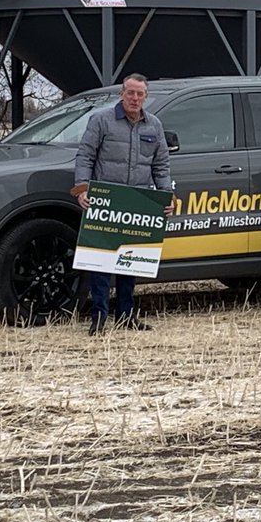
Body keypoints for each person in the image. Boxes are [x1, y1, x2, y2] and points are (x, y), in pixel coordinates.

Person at [73, 74, 171, 334]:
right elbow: (85, 156)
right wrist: (82, 187)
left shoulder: (154, 126)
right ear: (122, 94)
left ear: (146, 97)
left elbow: (161, 165)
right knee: (101, 263)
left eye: (140, 94)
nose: (135, 98)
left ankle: (126, 316)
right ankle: (99, 319)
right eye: (130, 93)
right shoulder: (101, 121)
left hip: (137, 201)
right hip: (106, 200)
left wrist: (164, 197)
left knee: (131, 262)